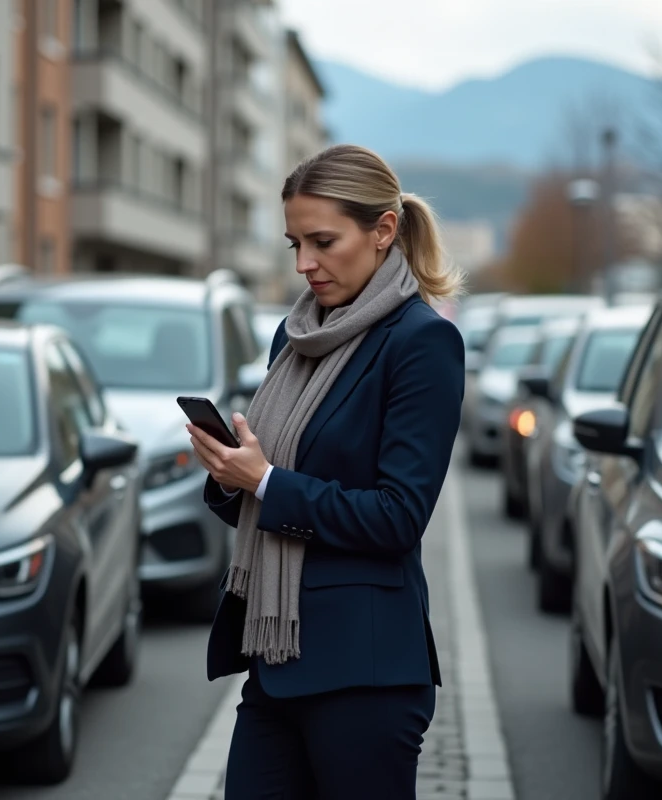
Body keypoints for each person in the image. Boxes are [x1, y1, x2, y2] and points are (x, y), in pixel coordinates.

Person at [186, 143, 465, 799]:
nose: (305, 264)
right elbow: (267, 482)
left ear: (383, 231)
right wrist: (233, 476)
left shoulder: (421, 343)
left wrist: (266, 483)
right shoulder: (297, 336)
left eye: (322, 241)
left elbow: (397, 517)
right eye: (294, 244)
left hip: (363, 676)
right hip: (276, 662)